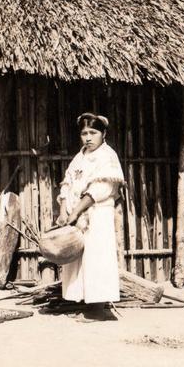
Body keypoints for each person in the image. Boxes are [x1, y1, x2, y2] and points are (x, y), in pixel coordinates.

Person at [56, 112, 125, 321]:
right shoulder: (80, 156)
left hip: (97, 215)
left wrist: (77, 210)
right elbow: (67, 182)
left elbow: (101, 188)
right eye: (84, 133)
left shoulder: (107, 156)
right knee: (79, 258)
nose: (88, 137)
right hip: (76, 216)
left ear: (103, 134)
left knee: (97, 257)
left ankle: (98, 309)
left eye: (93, 132)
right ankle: (86, 302)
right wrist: (64, 209)